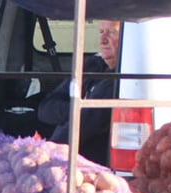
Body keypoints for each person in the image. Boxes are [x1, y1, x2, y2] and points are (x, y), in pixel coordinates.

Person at [37, 20, 121, 167]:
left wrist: (44, 158)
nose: (103, 40)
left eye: (112, 32)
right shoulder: (92, 66)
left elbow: (82, 124)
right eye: (101, 32)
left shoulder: (118, 80)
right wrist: (76, 109)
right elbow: (45, 109)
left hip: (89, 168)